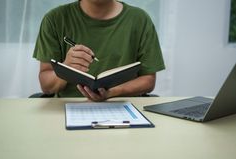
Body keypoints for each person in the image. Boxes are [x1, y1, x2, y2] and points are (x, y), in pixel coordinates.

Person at [33, 0, 165, 101]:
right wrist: (66, 68)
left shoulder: (140, 19)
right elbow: (47, 86)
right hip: (67, 109)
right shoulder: (54, 19)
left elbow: (148, 80)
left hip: (124, 108)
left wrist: (112, 92)